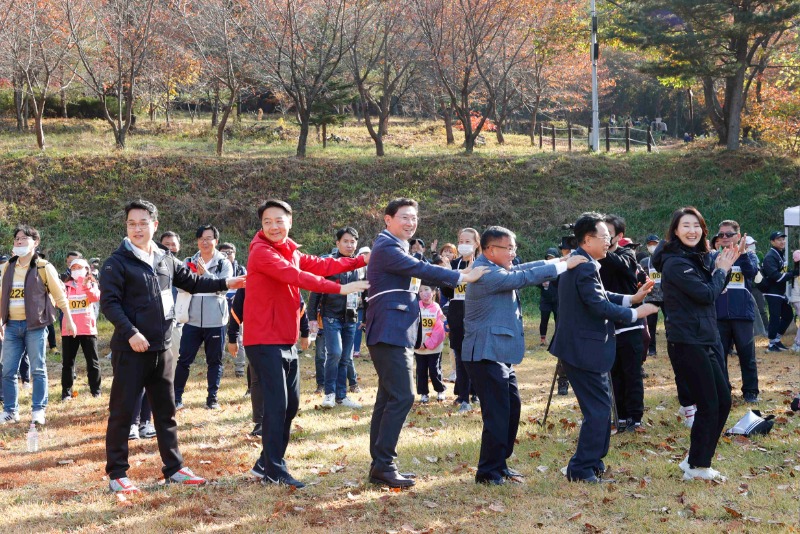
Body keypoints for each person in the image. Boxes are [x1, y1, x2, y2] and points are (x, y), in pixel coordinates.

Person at [100, 199, 246, 494]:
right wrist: (130, 332)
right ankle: (117, 473)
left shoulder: (165, 258)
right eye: (132, 223)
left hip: (162, 348)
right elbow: (110, 303)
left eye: (143, 223)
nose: (137, 228)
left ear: (154, 225)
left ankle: (175, 468)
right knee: (122, 412)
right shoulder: (116, 263)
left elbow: (191, 281)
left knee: (165, 411)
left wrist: (228, 282)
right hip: (132, 350)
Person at [243, 199, 368, 489]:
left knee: (291, 404)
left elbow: (323, 264)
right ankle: (274, 469)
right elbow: (297, 277)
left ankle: (265, 463)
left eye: (279, 220)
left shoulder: (291, 250)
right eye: (267, 222)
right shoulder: (261, 252)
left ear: (290, 221)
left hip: (285, 338)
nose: (273, 226)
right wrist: (340, 287)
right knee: (277, 405)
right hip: (263, 339)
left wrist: (360, 260)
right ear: (261, 226)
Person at [365, 198, 486, 489]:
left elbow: (420, 270)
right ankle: (383, 464)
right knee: (403, 396)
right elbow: (421, 270)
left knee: (388, 397)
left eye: (414, 218)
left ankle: (380, 465)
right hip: (389, 330)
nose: (410, 223)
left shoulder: (395, 245)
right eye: (404, 217)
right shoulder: (387, 247)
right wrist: (462, 275)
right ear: (388, 220)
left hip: (393, 330)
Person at [462, 226, 585, 485]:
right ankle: (487, 472)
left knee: (511, 409)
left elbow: (520, 268)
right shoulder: (483, 272)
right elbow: (522, 277)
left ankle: (500, 464)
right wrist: (563, 266)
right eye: (509, 248)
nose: (513, 253)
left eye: (514, 248)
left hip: (499, 354)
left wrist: (557, 261)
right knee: (496, 414)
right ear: (490, 250)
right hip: (484, 354)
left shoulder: (498, 266)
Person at [549, 212, 658, 483]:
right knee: (598, 410)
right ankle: (581, 468)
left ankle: (593, 461)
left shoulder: (584, 263)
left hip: (581, 347)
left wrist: (631, 298)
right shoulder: (584, 265)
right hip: (583, 348)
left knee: (598, 408)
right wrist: (636, 313)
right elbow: (597, 305)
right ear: (587, 240)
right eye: (605, 237)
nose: (609, 242)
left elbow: (601, 295)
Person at [651, 206, 740, 482]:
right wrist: (722, 271)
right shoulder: (676, 262)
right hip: (688, 341)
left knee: (723, 400)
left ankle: (695, 458)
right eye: (686, 226)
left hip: (706, 337)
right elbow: (705, 295)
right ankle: (698, 466)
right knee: (709, 403)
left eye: (697, 226)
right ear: (675, 231)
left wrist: (718, 269)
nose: (692, 231)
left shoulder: (696, 257)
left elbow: (710, 291)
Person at [1, 225, 77, 425]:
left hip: (35, 326)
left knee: (38, 369)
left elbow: (60, 296)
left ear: (35, 243)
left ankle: (38, 410)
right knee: (8, 371)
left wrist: (68, 318)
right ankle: (10, 411)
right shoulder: (7, 267)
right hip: (11, 327)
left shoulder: (43, 267)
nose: (18, 242)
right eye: (16, 238)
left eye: (24, 238)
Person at [173, 225, 233, 410]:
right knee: (184, 359)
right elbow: (181, 286)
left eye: (209, 238)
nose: (205, 242)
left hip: (215, 319)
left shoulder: (224, 263)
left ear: (216, 241)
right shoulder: (189, 261)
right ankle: (176, 398)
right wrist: (203, 282)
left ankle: (212, 398)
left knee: (214, 361)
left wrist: (203, 276)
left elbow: (225, 287)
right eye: (201, 238)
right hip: (191, 319)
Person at [598, 215, 648, 433]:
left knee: (631, 374)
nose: (603, 238)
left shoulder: (626, 254)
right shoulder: (593, 259)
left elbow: (622, 265)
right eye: (598, 234)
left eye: (607, 234)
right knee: (614, 375)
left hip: (629, 325)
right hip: (606, 327)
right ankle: (620, 417)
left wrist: (601, 249)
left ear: (619, 236)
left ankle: (635, 419)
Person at [308, 227, 366, 409]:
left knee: (346, 358)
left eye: (353, 242)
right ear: (338, 243)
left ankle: (342, 396)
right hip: (330, 316)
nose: (349, 245)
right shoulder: (328, 263)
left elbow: (364, 293)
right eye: (346, 241)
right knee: (334, 353)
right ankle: (329, 394)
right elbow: (315, 291)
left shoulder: (360, 266)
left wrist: (367, 315)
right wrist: (311, 318)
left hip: (351, 317)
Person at [713, 220, 760, 402]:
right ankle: (723, 390)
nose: (724, 238)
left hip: (742, 314)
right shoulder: (714, 257)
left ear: (738, 236)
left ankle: (750, 392)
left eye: (729, 234)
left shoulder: (749, 256)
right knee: (719, 356)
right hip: (719, 315)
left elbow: (751, 273)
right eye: (721, 235)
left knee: (747, 355)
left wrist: (741, 254)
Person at [440, 228, 481, 414]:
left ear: (477, 243)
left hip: (476, 311)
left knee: (476, 354)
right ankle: (463, 395)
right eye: (461, 241)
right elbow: (447, 293)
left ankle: (476, 391)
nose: (464, 245)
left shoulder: (482, 263)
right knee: (460, 354)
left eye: (468, 241)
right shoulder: (454, 264)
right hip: (457, 312)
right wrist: (447, 277)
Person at [60, 258, 102, 400]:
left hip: (87, 329)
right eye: (74, 268)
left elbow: (95, 298)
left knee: (93, 362)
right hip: (69, 329)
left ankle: (96, 390)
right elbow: (59, 302)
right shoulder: (65, 286)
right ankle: (66, 392)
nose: (77, 270)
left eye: (80, 267)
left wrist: (86, 286)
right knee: (68, 363)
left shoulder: (92, 283)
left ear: (86, 270)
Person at [762, 231, 798, 352]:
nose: (782, 241)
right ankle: (772, 344)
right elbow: (776, 277)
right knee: (775, 317)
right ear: (772, 242)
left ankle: (776, 340)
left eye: (783, 239)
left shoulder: (779, 254)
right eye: (779, 239)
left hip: (779, 292)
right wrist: (792, 274)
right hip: (772, 292)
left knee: (788, 315)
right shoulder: (770, 257)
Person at [218, 242, 247, 379]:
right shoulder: (215, 267)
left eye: (230, 252)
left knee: (239, 337)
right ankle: (219, 366)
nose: (227, 255)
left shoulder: (241, 269)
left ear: (235, 254)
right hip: (219, 308)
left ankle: (240, 367)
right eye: (224, 253)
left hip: (237, 308)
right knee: (219, 339)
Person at [414, 283, 447, 403]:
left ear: (433, 292)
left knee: (434, 370)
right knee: (421, 371)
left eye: (426, 290)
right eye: (420, 291)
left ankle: (440, 390)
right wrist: (417, 343)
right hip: (419, 347)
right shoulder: (416, 307)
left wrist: (428, 344)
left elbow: (439, 330)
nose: (424, 293)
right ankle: (423, 393)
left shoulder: (437, 308)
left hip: (434, 348)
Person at [640, 234, 663, 356]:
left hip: (666, 296)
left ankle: (673, 346)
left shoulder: (665, 259)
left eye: (655, 244)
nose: (652, 246)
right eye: (650, 244)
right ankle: (652, 349)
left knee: (670, 323)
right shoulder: (644, 262)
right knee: (651, 325)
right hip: (651, 297)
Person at [537, 248, 560, 346]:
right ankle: (543, 340)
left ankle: (557, 340)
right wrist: (542, 284)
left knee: (558, 320)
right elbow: (536, 281)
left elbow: (561, 284)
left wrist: (551, 283)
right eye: (548, 257)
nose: (550, 259)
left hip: (557, 299)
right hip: (545, 299)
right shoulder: (543, 268)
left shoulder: (560, 269)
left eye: (552, 257)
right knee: (544, 319)